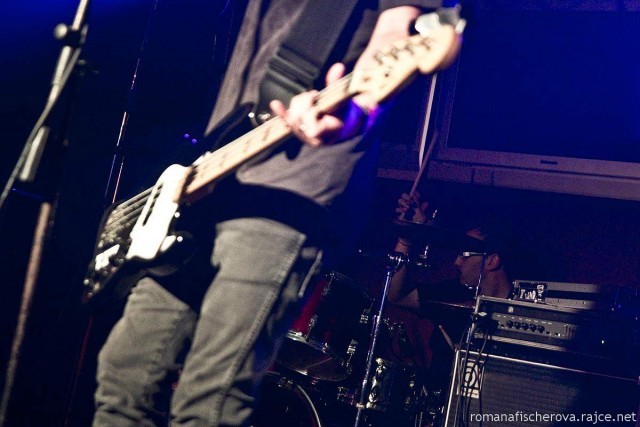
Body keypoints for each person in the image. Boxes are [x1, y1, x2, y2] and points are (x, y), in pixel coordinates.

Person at [92, 2, 444, 426]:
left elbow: (398, 29)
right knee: (124, 379)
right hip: (210, 177)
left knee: (209, 400)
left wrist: (358, 106)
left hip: (291, 191)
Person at [388, 191, 517, 391]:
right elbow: (396, 296)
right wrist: (407, 239)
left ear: (493, 261)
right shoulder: (452, 293)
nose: (456, 262)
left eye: (464, 254)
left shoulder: (522, 310)